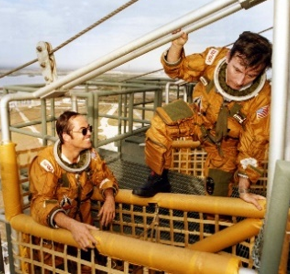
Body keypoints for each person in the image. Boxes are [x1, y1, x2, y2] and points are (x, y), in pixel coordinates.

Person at [134, 30, 270, 211]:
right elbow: (177, 69)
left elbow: (254, 144)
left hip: (225, 146)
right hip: (197, 118)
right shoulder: (213, 59)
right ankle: (157, 178)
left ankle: (215, 228)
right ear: (229, 57)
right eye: (236, 70)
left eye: (250, 76)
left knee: (216, 201)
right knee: (161, 123)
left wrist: (244, 189)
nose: (239, 81)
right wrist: (177, 45)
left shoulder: (262, 98)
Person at [27, 110, 117, 271]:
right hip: (53, 242)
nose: (89, 133)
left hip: (83, 234)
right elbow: (42, 202)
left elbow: (104, 176)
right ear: (66, 136)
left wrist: (109, 198)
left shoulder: (89, 155)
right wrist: (71, 225)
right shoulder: (46, 162)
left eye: (89, 128)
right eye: (83, 131)